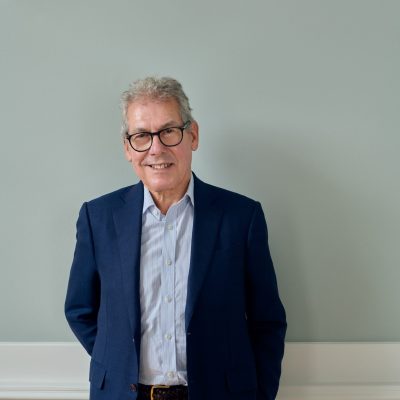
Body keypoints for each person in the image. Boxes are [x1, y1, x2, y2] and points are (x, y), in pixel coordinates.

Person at [65, 76, 287, 400]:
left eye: (169, 131)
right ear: (127, 148)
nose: (156, 148)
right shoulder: (98, 218)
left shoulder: (242, 218)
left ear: (192, 135)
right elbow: (80, 310)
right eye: (142, 135)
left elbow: (267, 322)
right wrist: (119, 363)